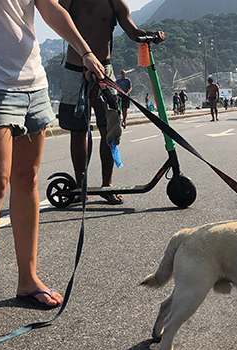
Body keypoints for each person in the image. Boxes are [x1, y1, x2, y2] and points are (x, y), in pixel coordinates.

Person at [0, 0, 106, 334]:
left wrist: (85, 52)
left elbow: (50, 8)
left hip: (33, 82)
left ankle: (27, 279)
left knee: (27, 179)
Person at [58, 0, 165, 205]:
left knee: (110, 128)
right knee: (78, 130)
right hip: (74, 69)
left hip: (104, 70)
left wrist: (152, 34)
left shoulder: (115, 2)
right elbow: (57, 21)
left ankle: (108, 185)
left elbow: (132, 32)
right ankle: (81, 186)